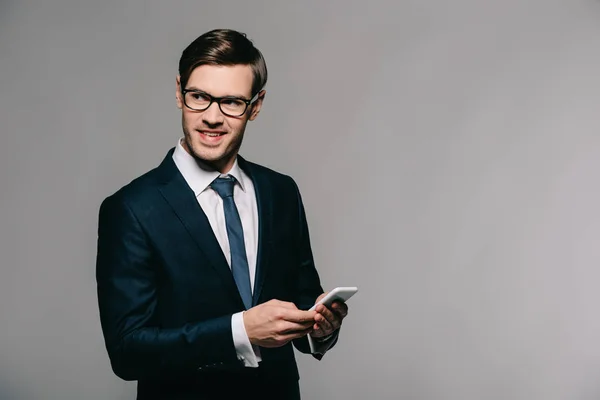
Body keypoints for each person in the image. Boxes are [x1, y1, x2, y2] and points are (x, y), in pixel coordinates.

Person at [95, 28, 349, 400]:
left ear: (256, 105)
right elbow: (127, 351)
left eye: (231, 102)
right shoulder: (131, 208)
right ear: (179, 93)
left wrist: (320, 328)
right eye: (199, 97)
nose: (212, 117)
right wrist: (241, 331)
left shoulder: (281, 192)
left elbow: (304, 298)